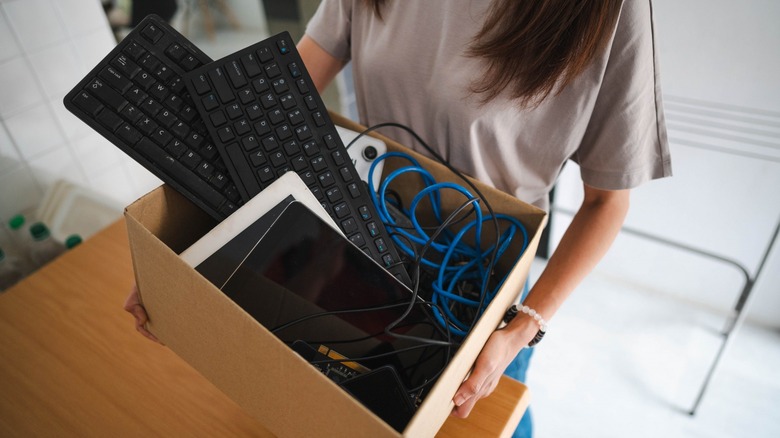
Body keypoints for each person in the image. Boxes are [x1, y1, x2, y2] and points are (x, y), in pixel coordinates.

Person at [125, 0, 671, 436]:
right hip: (354, 233)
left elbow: (607, 201)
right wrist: (176, 250)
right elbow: (287, 93)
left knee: (488, 419)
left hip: (486, 281)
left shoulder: (614, 12)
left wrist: (521, 328)